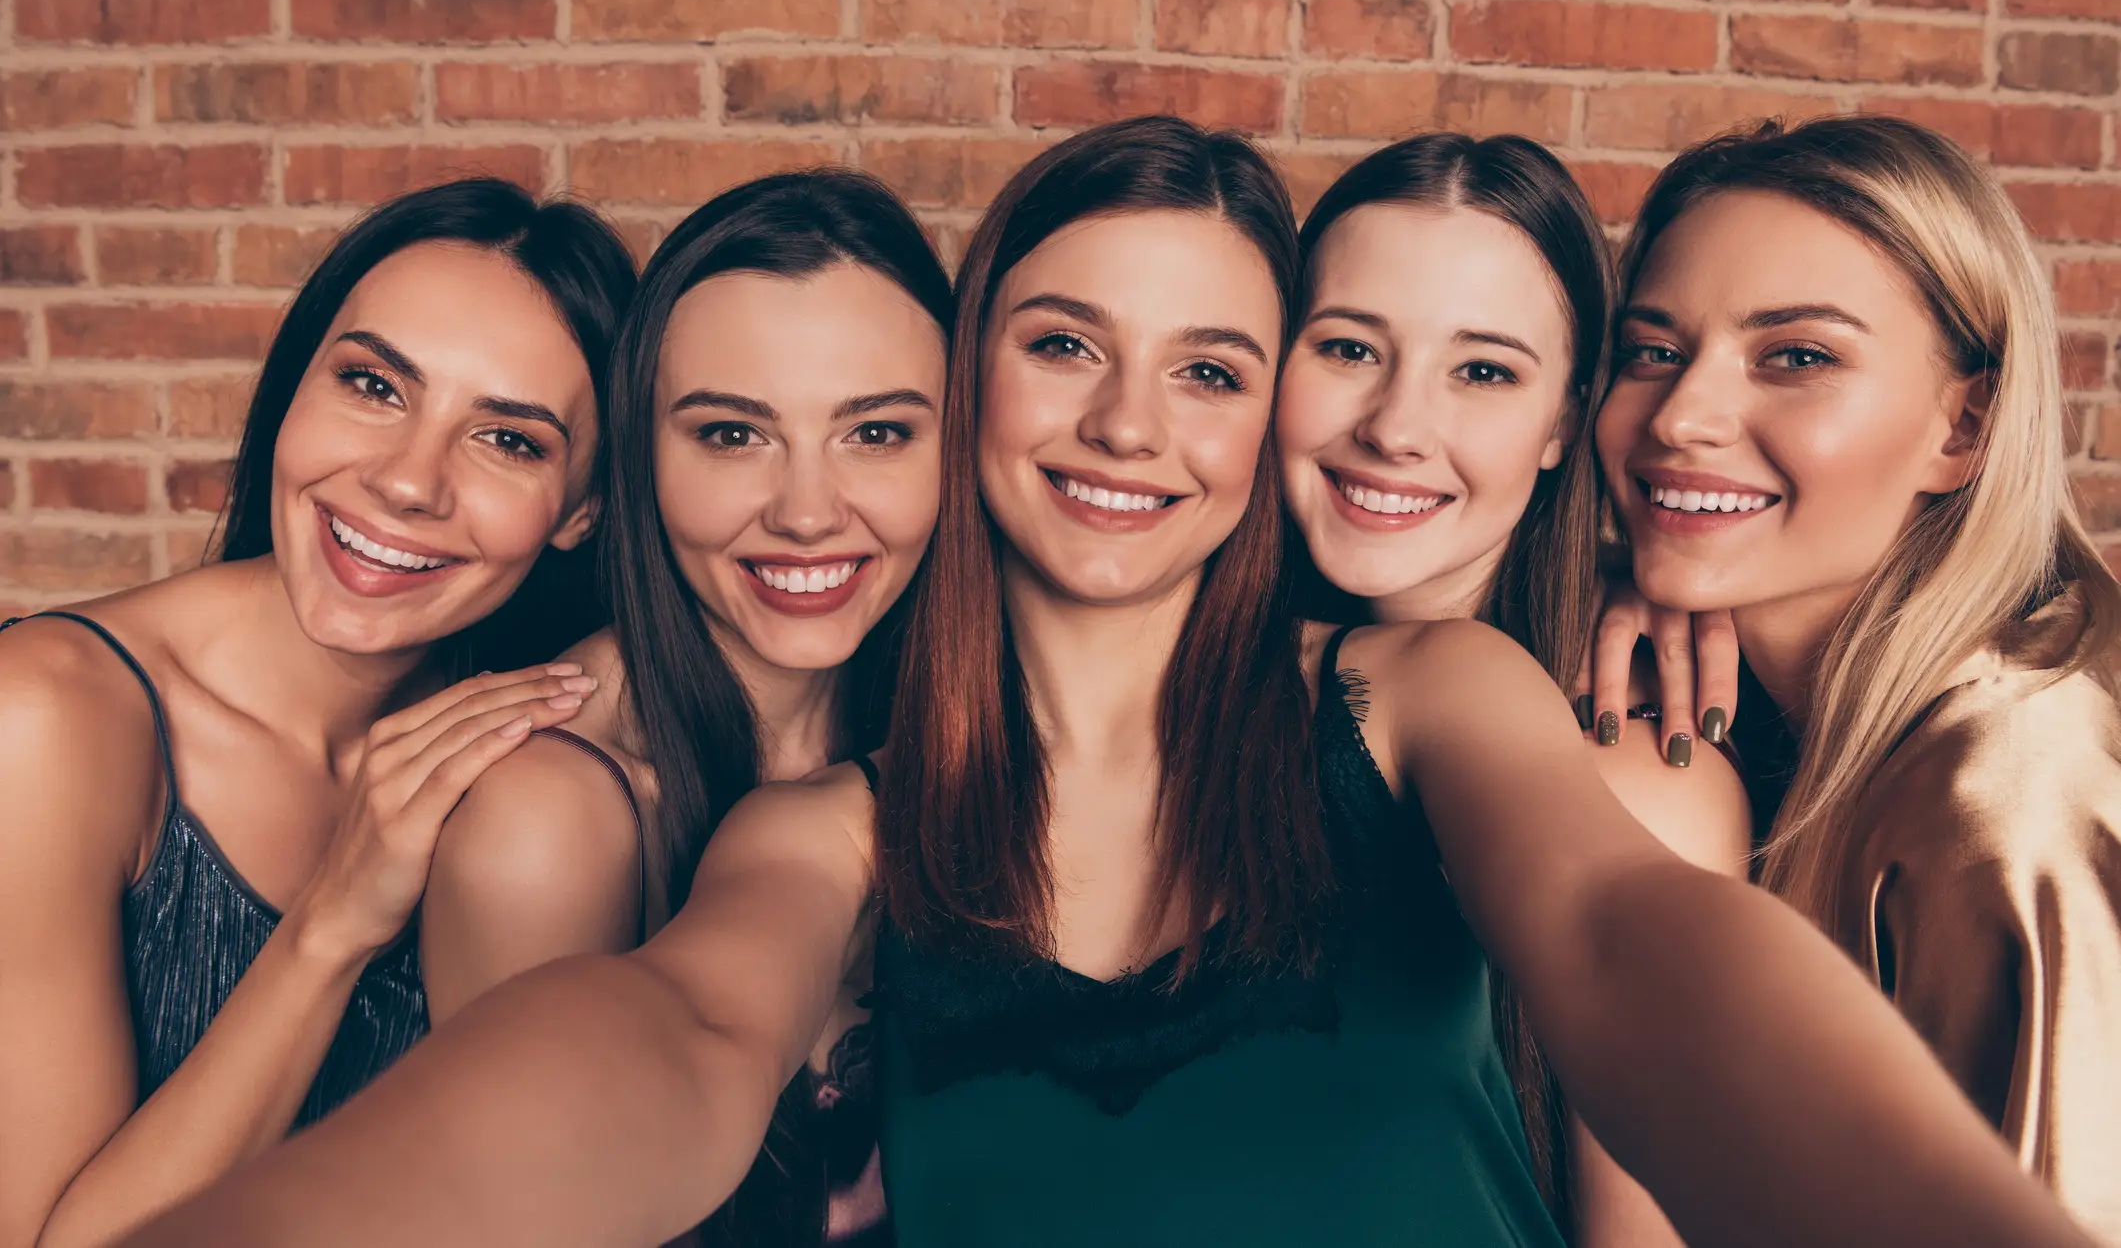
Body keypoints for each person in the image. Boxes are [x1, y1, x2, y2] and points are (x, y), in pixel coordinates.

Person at [118, 121, 2096, 1248]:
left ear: (1261, 427)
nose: (1129, 422)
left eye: (1214, 368)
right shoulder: (830, 826)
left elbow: (1620, 933)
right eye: (1064, 344)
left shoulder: (1418, 698)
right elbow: (672, 1031)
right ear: (970, 381)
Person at [0, 179, 636, 1248]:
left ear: (583, 510)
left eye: (510, 441)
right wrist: (335, 924)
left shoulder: (524, 759)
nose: (406, 481)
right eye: (375, 385)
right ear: (294, 385)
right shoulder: (47, 722)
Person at [1587, 115, 2121, 1241]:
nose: (1680, 416)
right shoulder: (1786, 712)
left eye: (1797, 357)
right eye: (1651, 350)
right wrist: (1604, 587)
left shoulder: (2005, 792)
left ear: (1962, 425)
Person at [431, 169, 952, 1246]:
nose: (808, 512)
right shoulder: (549, 811)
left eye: (878, 433)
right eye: (731, 434)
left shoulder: (959, 731)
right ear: (638, 461)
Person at [1276, 133, 1746, 1246]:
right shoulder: (1197, 705)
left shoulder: (1639, 774)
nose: (1395, 427)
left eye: (1483, 371)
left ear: (1564, 425)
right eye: (1347, 347)